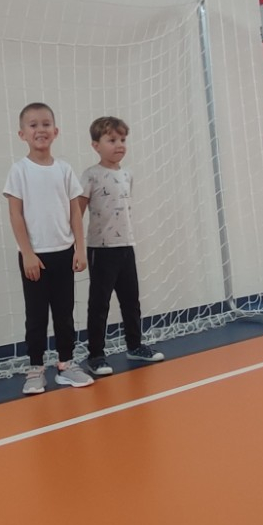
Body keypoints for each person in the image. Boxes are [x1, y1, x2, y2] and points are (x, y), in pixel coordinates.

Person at [3, 103, 95, 394]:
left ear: (55, 131)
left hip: (64, 253)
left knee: (64, 313)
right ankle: (35, 368)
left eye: (45, 124)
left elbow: (75, 212)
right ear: (22, 134)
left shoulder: (64, 170)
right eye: (33, 125)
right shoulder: (19, 171)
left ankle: (66, 365)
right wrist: (28, 253)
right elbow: (15, 214)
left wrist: (79, 249)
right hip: (35, 257)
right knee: (36, 316)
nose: (40, 130)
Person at [79, 116, 165, 376]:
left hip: (126, 246)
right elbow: (77, 213)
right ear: (96, 145)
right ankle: (96, 354)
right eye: (112, 140)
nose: (119, 145)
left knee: (131, 301)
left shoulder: (127, 174)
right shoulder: (91, 175)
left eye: (123, 140)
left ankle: (135, 345)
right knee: (100, 304)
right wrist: (76, 247)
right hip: (101, 249)